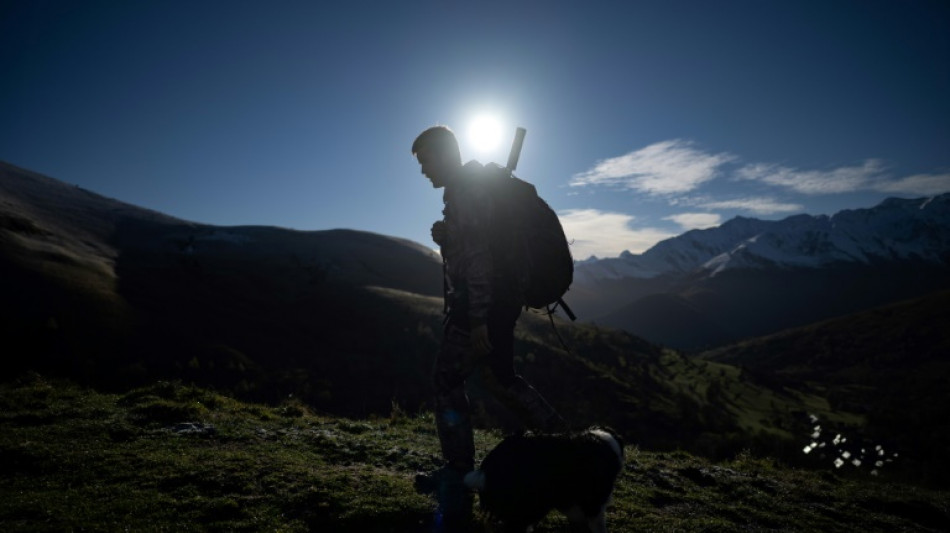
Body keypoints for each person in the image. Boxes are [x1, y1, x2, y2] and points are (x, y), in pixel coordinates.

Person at [411, 125, 565, 527]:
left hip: (482, 306)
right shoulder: (467, 189)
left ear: (444, 154)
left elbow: (479, 259)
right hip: (499, 302)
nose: (424, 170)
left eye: (426, 160)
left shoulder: (465, 191)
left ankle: (459, 477)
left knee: (447, 381)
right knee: (499, 378)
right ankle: (564, 447)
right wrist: (448, 237)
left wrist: (477, 318)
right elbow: (475, 248)